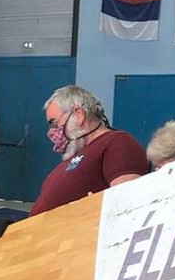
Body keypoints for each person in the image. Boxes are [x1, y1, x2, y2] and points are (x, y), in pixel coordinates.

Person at [29, 85, 148, 216]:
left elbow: (128, 205)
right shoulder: (75, 155)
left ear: (79, 114)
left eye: (54, 123)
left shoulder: (118, 142)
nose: (52, 131)